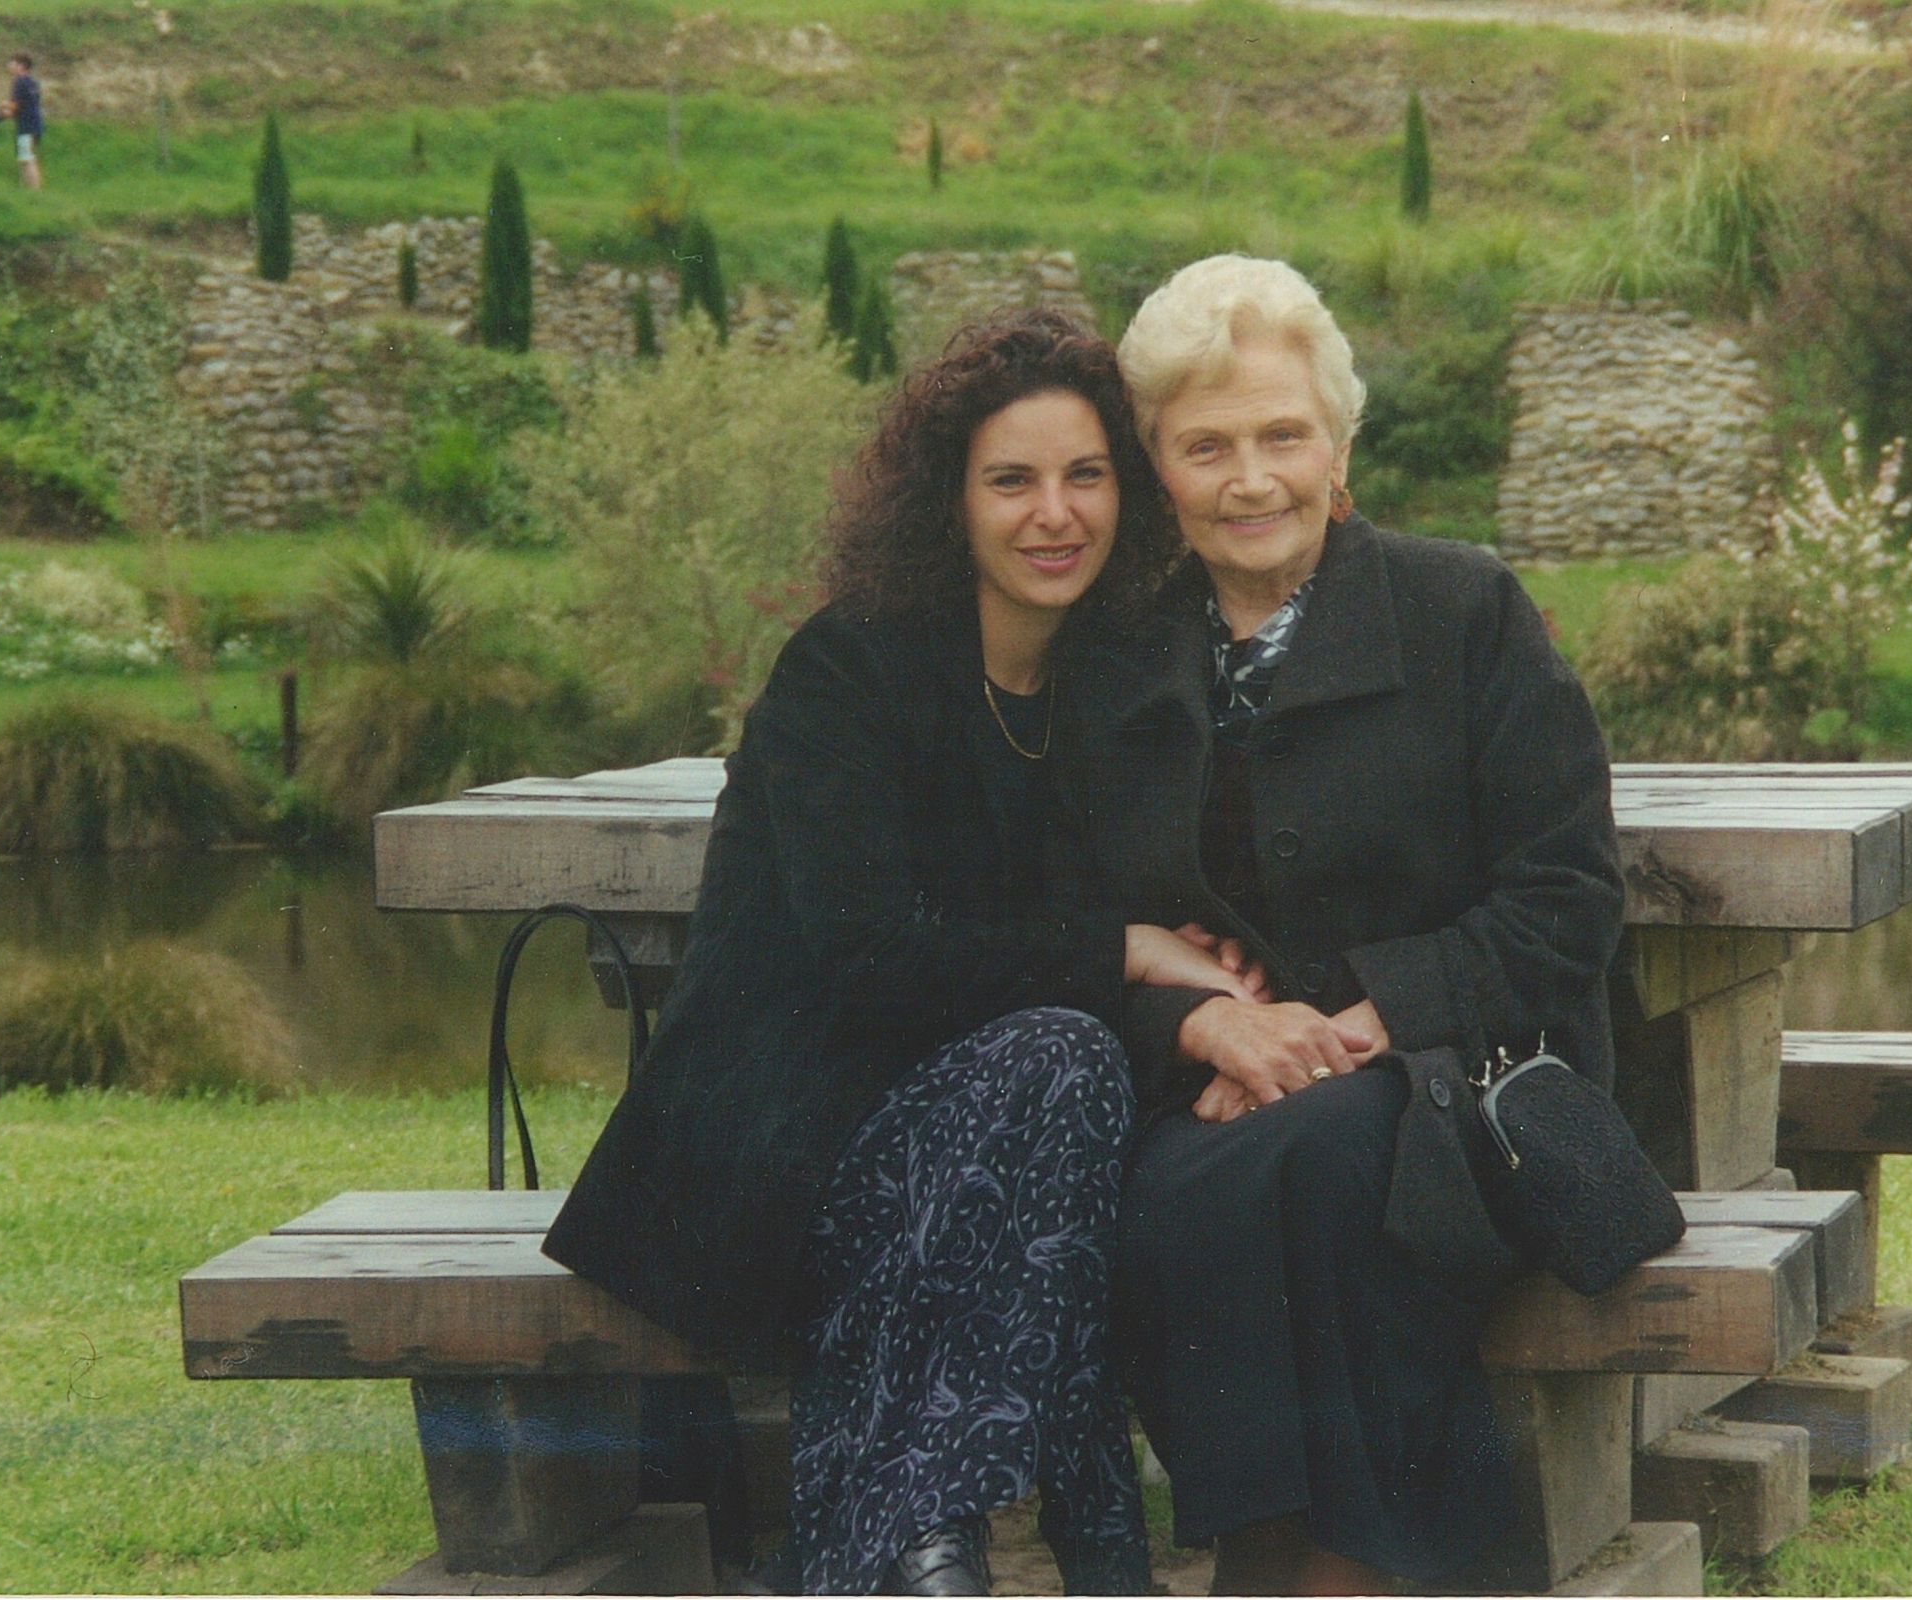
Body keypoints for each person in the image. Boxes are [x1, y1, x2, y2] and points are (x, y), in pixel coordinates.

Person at [543, 309, 1254, 1596]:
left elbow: (1130, 937)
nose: (1055, 513)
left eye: (1086, 474)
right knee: (1059, 1060)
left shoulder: (1109, 688)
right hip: (770, 1147)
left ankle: (910, 1550)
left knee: (1064, 1072)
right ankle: (1036, 1550)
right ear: (951, 500)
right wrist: (1126, 948)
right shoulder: (849, 671)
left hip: (986, 1156)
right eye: (1012, 480)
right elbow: (869, 959)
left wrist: (1209, 979)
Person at [1062, 255, 1628, 1594]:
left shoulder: (1461, 610)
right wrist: (1202, 1027)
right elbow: (1062, 912)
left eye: (1281, 437)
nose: (1249, 478)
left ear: (1337, 446)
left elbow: (1566, 902)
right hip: (1210, 1085)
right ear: (1155, 465)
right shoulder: (1113, 651)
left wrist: (1357, 1029)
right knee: (1178, 1183)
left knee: (1317, 1165)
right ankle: (1274, 1547)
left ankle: (1334, 1565)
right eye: (1206, 447)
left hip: (1463, 1074)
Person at [0, 53, 44, 190]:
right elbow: (25, 106)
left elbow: (15, 106)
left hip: (26, 126)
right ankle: (24, 189)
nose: (9, 66)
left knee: (27, 158)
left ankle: (35, 191)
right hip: (35, 124)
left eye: (12, 63)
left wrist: (1, 106)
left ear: (21, 66)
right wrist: (3, 114)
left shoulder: (19, 82)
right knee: (24, 158)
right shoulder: (32, 82)